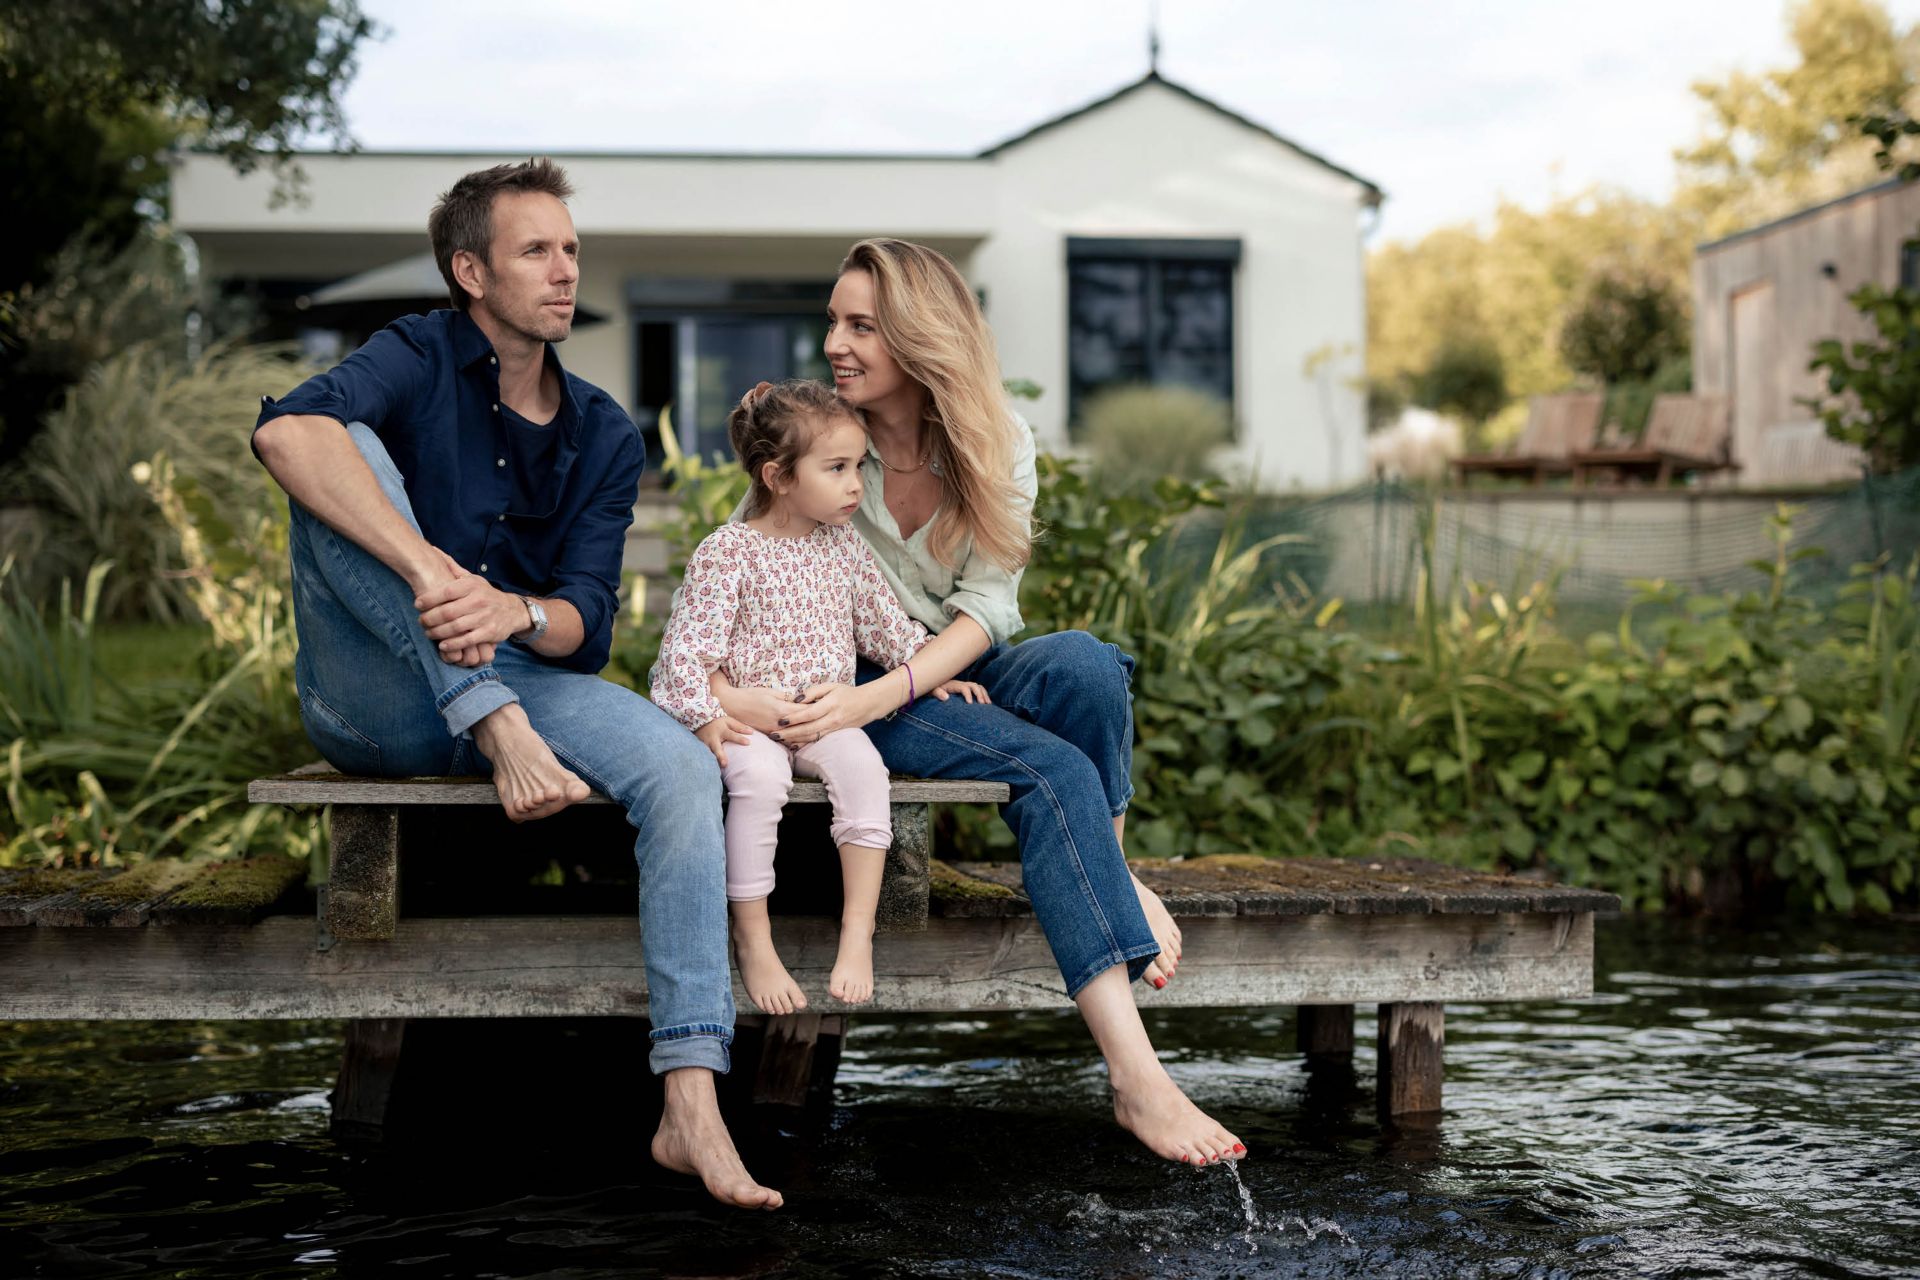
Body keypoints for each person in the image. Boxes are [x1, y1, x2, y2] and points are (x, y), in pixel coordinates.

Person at [250, 158, 779, 1210]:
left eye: (572, 249)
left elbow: (585, 621)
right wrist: (442, 579)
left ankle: (689, 1097)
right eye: (536, 249)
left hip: (527, 674)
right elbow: (282, 432)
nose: (565, 269)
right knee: (339, 445)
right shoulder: (414, 352)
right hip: (378, 699)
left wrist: (515, 612)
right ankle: (485, 715)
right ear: (471, 270)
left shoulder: (604, 431)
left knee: (681, 767)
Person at [710, 239, 1245, 1167]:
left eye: (861, 325)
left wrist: (903, 676)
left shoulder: (996, 438)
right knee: (1052, 766)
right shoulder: (823, 438)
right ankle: (1136, 1077)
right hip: (860, 691)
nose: (834, 341)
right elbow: (764, 574)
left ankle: (1108, 877)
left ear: (920, 337)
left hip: (926, 676)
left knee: (1083, 664)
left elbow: (992, 607)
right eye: (834, 319)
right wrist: (857, 692)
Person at [652, 379, 980, 1014]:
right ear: (778, 476)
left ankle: (859, 931)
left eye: (858, 466)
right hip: (751, 720)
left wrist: (929, 669)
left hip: (825, 718)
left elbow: (884, 624)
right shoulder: (729, 553)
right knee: (757, 780)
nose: (856, 483)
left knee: (864, 768)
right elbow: (685, 655)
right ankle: (753, 935)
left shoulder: (843, 548)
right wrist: (706, 719)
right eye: (836, 469)